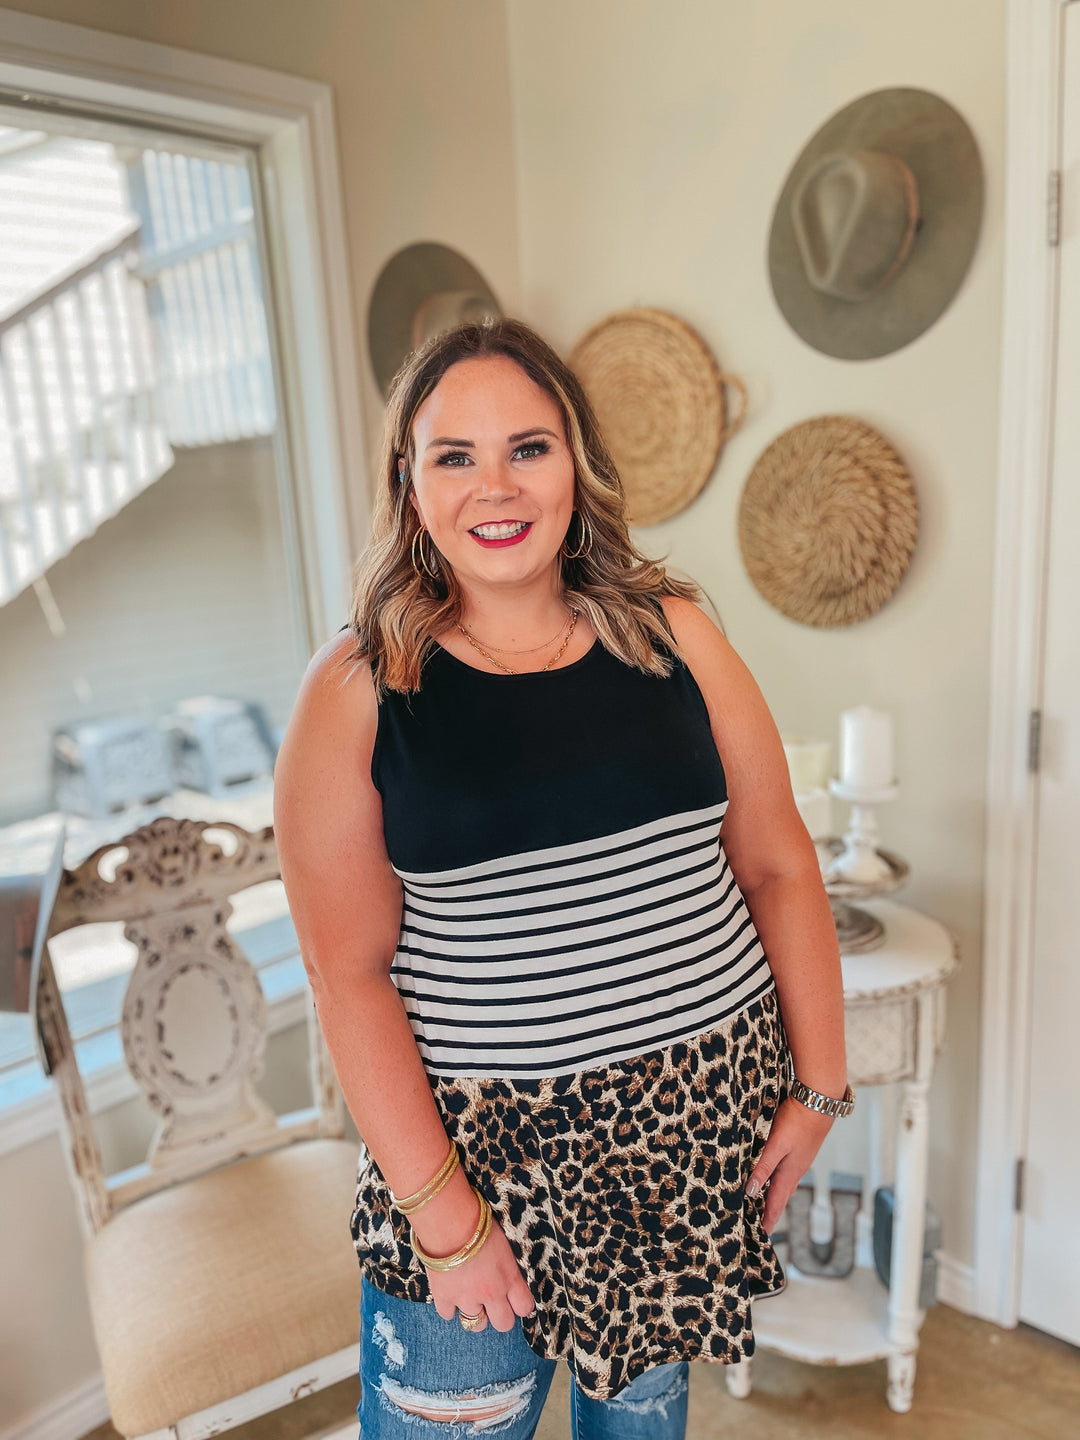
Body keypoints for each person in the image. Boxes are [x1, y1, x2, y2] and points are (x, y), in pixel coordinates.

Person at [273, 317, 850, 1440]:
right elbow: (346, 973)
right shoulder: (358, 686)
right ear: (410, 485)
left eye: (528, 448)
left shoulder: (673, 634)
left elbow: (778, 863)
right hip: (480, 1170)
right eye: (456, 456)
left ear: (575, 466)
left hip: (685, 1152)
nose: (497, 487)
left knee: (643, 1421)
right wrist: (450, 1226)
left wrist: (819, 1085)